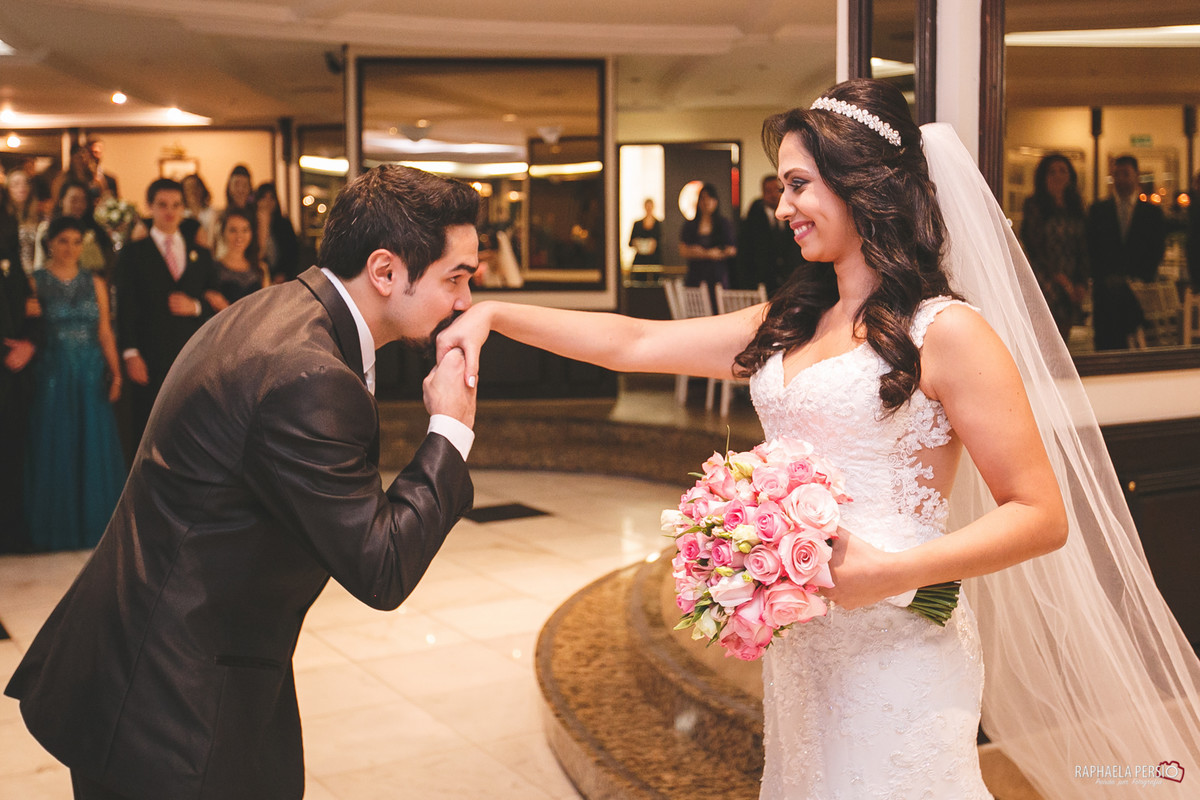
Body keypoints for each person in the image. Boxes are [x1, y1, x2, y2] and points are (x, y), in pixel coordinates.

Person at [439, 79, 1200, 798]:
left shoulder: (950, 332)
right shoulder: (792, 321)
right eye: (783, 188)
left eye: (798, 184)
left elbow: (1040, 514)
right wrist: (499, 315)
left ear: (863, 185)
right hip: (804, 652)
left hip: (903, 650)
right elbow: (634, 343)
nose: (784, 207)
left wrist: (890, 571)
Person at [6, 164, 480, 799]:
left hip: (161, 660)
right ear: (386, 271)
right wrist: (449, 430)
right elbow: (382, 565)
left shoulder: (283, 310)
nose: (465, 301)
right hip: (165, 701)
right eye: (456, 278)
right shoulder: (309, 375)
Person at [24, 216, 125, 551]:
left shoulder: (94, 282)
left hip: (91, 374)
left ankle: (95, 531)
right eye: (63, 240)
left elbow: (105, 332)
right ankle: (57, 533)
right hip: (54, 374)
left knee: (93, 449)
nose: (71, 248)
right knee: (56, 449)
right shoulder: (35, 282)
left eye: (77, 241)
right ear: (50, 242)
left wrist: (116, 372)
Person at [116, 178, 219, 449]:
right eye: (162, 205)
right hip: (150, 358)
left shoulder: (200, 253)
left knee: (191, 434)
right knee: (149, 436)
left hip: (192, 358)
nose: (170, 211)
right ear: (150, 207)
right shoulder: (132, 253)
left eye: (176, 205)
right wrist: (130, 353)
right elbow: (125, 307)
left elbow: (216, 301)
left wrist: (195, 306)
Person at [1085, 155, 1167, 350]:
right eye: (1117, 175)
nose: (1121, 180)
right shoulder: (1098, 210)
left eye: (1126, 174)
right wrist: (1103, 277)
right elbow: (1090, 247)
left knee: (1136, 343)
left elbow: (1156, 249)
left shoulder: (1152, 213)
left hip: (1137, 288)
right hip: (1105, 288)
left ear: (1136, 177)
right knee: (1105, 343)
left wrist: (1138, 278)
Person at [0, 199, 39, 552]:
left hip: (13, 379)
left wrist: (29, 343)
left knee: (12, 455)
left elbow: (32, 310)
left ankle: (10, 534)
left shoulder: (10, 259)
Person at [1020, 154, 1089, 340]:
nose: (1058, 175)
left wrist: (1081, 283)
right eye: (1052, 172)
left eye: (1062, 171)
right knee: (1045, 336)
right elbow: (1034, 246)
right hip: (1045, 279)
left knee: (1064, 336)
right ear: (1043, 177)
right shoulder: (1034, 205)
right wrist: (1060, 279)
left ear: (1070, 176)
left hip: (1071, 279)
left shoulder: (1076, 207)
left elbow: (1083, 247)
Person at [738, 173, 807, 293]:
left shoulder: (795, 215)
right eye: (768, 191)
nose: (773, 195)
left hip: (791, 280)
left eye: (777, 190)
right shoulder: (753, 219)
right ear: (763, 193)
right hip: (762, 282)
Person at [679, 182, 736, 294]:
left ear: (715, 201)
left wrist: (715, 253)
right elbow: (683, 250)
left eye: (709, 198)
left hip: (717, 276)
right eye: (703, 198)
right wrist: (706, 254)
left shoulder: (723, 224)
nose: (706, 202)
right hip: (696, 275)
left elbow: (732, 249)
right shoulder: (690, 225)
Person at [209, 207, 268, 309]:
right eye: (233, 230)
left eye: (245, 230)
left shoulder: (259, 268)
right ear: (223, 232)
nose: (239, 236)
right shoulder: (214, 268)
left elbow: (268, 306)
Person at [254, 182, 301, 282]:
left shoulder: (284, 225)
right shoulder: (251, 225)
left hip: (283, 279)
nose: (268, 202)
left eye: (271, 198)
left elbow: (293, 252)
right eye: (264, 198)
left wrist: (284, 273)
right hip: (259, 278)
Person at [180, 173, 219, 249]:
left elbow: (212, 241)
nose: (192, 191)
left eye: (195, 187)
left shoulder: (211, 213)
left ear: (202, 189)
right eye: (188, 188)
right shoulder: (180, 215)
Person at [628, 198, 662, 265]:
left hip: (654, 260)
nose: (648, 208)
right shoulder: (637, 224)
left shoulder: (658, 224)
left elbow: (661, 241)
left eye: (650, 206)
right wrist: (636, 243)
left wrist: (653, 245)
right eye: (647, 206)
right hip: (640, 261)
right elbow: (631, 242)